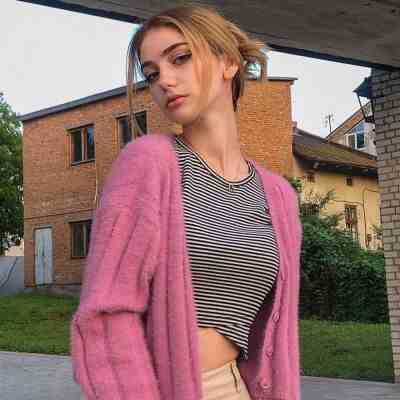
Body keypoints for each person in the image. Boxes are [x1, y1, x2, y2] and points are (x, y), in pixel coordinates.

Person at [70, 4, 303, 400]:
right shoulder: (149, 163)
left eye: (180, 58)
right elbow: (106, 313)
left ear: (228, 62)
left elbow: (278, 334)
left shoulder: (278, 195)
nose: (164, 80)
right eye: (152, 73)